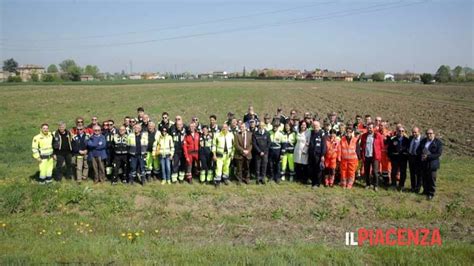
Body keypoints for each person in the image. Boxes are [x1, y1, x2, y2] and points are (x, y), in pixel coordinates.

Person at [417, 129, 442, 200]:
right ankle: (425, 191)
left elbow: (438, 154)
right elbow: (418, 150)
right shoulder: (423, 141)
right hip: (423, 163)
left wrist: (428, 156)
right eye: (427, 133)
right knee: (424, 178)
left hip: (432, 164)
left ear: (434, 134)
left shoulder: (438, 143)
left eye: (430, 133)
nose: (429, 135)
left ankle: (431, 194)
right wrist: (421, 154)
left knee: (431, 179)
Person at [360, 123, 384, 191]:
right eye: (368, 128)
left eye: (370, 128)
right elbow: (362, 145)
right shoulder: (364, 136)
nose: (369, 129)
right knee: (366, 171)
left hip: (375, 156)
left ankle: (375, 185)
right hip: (366, 156)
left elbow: (381, 146)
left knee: (375, 172)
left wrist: (377, 153)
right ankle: (368, 184)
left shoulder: (378, 135)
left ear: (373, 128)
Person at [388, 126, 410, 191]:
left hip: (403, 159)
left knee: (403, 172)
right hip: (395, 159)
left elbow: (409, 149)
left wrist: (407, 154)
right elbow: (389, 149)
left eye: (402, 131)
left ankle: (401, 185)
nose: (401, 132)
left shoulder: (407, 140)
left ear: (404, 132)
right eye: (399, 131)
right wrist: (391, 155)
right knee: (393, 172)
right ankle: (393, 184)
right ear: (397, 131)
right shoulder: (393, 139)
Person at [308, 120, 327, 188]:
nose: (315, 127)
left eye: (316, 126)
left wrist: (322, 155)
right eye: (314, 126)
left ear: (319, 126)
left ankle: (317, 183)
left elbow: (324, 145)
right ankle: (313, 182)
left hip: (318, 155)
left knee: (318, 169)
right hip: (311, 154)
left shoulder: (322, 134)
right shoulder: (311, 132)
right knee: (312, 169)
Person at [268, 118, 283, 183]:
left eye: (276, 126)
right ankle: (271, 177)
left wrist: (282, 153)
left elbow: (283, 144)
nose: (275, 127)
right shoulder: (269, 133)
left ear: (278, 127)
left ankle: (277, 178)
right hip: (271, 151)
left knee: (278, 165)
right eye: (274, 126)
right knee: (270, 165)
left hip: (278, 152)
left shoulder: (281, 134)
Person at [408, 127, 422, 193]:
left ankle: (418, 188)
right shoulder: (411, 138)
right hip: (411, 157)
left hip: (418, 158)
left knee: (418, 174)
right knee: (412, 173)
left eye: (415, 132)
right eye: (413, 132)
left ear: (419, 132)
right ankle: (413, 187)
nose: (414, 134)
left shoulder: (422, 140)